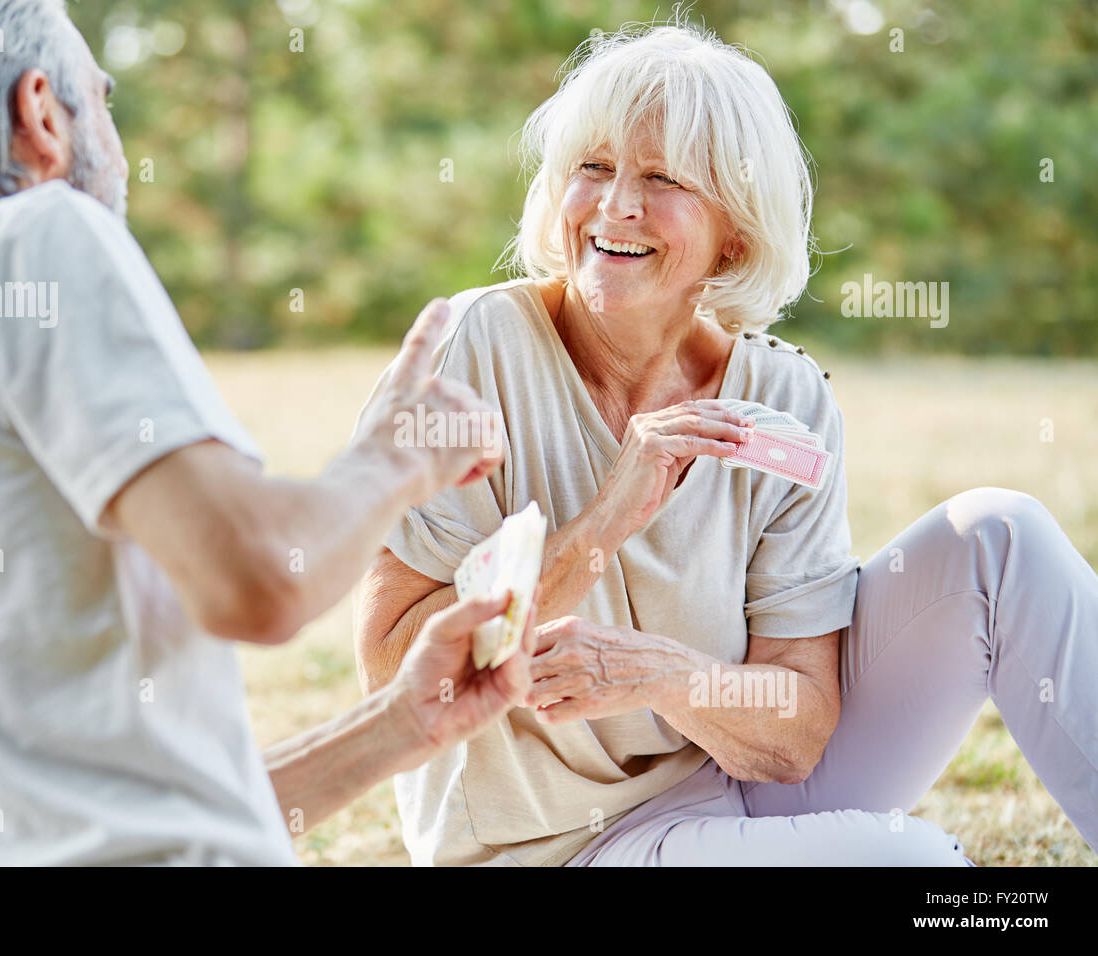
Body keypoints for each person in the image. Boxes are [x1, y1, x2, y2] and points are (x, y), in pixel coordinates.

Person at [0, 0, 535, 865]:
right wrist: (402, 452)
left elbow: (86, 822)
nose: (117, 147)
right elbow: (259, 580)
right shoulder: (38, 232)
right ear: (41, 115)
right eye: (101, 102)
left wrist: (398, 726)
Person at [354, 22, 1098, 866]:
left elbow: (799, 734)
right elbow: (388, 672)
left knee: (1001, 537)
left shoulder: (784, 394)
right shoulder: (476, 352)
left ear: (734, 237)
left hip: (738, 781)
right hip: (552, 848)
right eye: (592, 168)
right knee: (914, 864)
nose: (614, 204)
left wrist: (655, 675)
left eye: (662, 177)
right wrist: (602, 524)